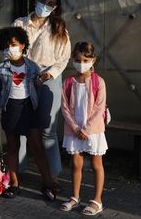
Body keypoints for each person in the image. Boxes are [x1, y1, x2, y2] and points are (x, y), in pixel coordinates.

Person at [13, 0, 71, 189]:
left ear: (55, 8)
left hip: (49, 78)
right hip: (22, 76)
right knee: (19, 125)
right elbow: (10, 49)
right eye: (42, 0)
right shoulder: (20, 23)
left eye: (50, 3)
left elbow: (64, 57)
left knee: (47, 128)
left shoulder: (59, 28)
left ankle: (52, 175)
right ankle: (17, 173)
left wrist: (48, 74)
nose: (44, 5)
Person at [0, 27, 56, 200]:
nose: (10, 49)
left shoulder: (32, 67)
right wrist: (5, 104)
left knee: (37, 147)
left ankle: (48, 184)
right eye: (6, 46)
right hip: (10, 109)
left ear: (22, 45)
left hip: (29, 108)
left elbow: (38, 87)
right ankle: (14, 184)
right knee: (12, 147)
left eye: (13, 44)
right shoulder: (1, 69)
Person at [59, 42, 107, 215]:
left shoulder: (98, 82)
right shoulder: (68, 82)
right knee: (75, 164)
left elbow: (99, 108)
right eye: (78, 59)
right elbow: (64, 107)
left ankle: (97, 200)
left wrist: (86, 130)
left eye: (86, 59)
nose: (81, 63)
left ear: (93, 60)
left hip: (93, 130)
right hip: (74, 130)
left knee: (96, 164)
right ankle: (75, 197)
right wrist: (75, 128)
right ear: (73, 59)